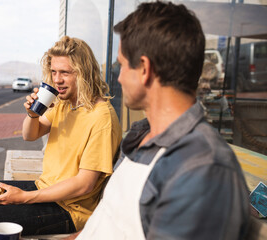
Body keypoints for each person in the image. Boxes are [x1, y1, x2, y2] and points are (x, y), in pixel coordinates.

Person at [71, 1, 251, 239]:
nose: (120, 77)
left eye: (122, 65)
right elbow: (106, 221)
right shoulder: (141, 135)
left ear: (145, 69)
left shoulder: (202, 169)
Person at [0, 36, 122, 240]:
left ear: (84, 73)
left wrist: (24, 198)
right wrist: (32, 114)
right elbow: (30, 135)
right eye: (54, 72)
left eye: (65, 72)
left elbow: (84, 184)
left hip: (71, 209)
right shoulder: (64, 103)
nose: (56, 80)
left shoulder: (101, 116)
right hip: (46, 188)